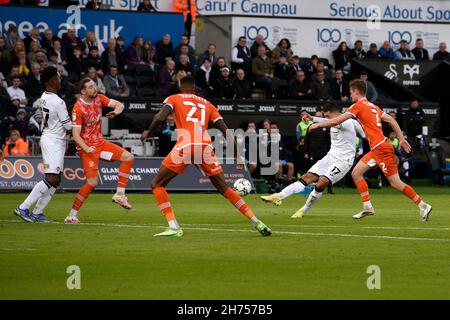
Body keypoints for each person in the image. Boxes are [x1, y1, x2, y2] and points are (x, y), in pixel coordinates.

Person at [140, 76, 272, 237]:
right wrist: (238, 156)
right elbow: (225, 131)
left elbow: (160, 117)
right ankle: (257, 222)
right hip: (205, 146)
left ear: (181, 87)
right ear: (195, 89)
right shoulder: (207, 104)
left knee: (157, 184)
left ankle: (174, 226)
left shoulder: (174, 98)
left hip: (186, 144)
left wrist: (148, 133)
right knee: (224, 188)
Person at [307, 79, 432, 221]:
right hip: (377, 148)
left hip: (382, 149)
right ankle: (367, 207)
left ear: (356, 92)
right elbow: (391, 120)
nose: (350, 95)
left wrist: (316, 124)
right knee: (356, 173)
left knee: (395, 183)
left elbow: (336, 121)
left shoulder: (358, 105)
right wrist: (401, 139)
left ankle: (423, 205)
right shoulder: (374, 106)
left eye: (350, 92)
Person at [261, 103, 365, 217]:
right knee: (306, 177)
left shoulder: (345, 121)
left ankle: (303, 210)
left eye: (326, 116)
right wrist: (313, 118)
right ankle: (278, 196)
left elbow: (336, 122)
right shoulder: (337, 120)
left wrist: (316, 124)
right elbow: (332, 121)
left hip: (343, 161)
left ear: (332, 113)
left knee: (321, 183)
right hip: (330, 157)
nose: (326, 119)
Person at [65, 78, 135, 223]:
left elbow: (120, 104)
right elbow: (75, 135)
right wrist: (86, 148)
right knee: (92, 182)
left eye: (94, 86)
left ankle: (119, 195)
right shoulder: (78, 108)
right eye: (90, 87)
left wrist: (115, 112)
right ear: (83, 91)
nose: (94, 88)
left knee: (128, 157)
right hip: (87, 148)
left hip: (101, 144)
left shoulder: (99, 98)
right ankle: (71, 215)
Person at [13, 67, 71, 223]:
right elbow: (68, 126)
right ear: (52, 80)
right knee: (51, 178)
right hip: (53, 140)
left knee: (56, 179)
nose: (60, 80)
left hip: (51, 138)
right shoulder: (58, 102)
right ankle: (23, 207)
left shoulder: (44, 96)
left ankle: (38, 212)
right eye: (58, 78)